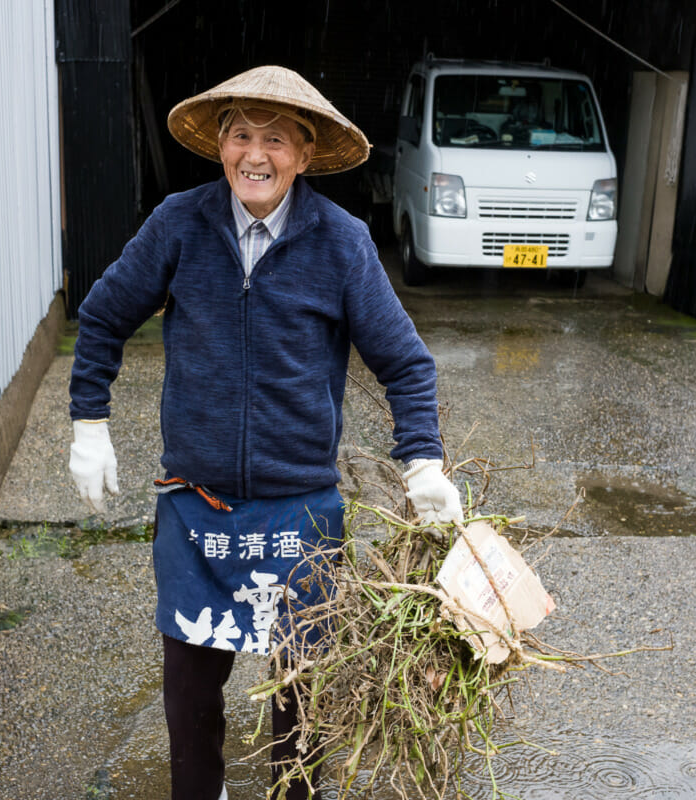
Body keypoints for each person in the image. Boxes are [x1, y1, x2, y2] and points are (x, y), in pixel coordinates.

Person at [67, 65, 462, 800]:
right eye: (240, 134)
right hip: (198, 507)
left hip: (300, 511)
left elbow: (405, 363)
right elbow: (103, 314)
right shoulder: (179, 224)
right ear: (220, 146)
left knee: (302, 695)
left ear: (305, 156)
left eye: (275, 139)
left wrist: (423, 463)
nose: (256, 154)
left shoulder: (341, 242)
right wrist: (90, 422)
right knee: (190, 690)